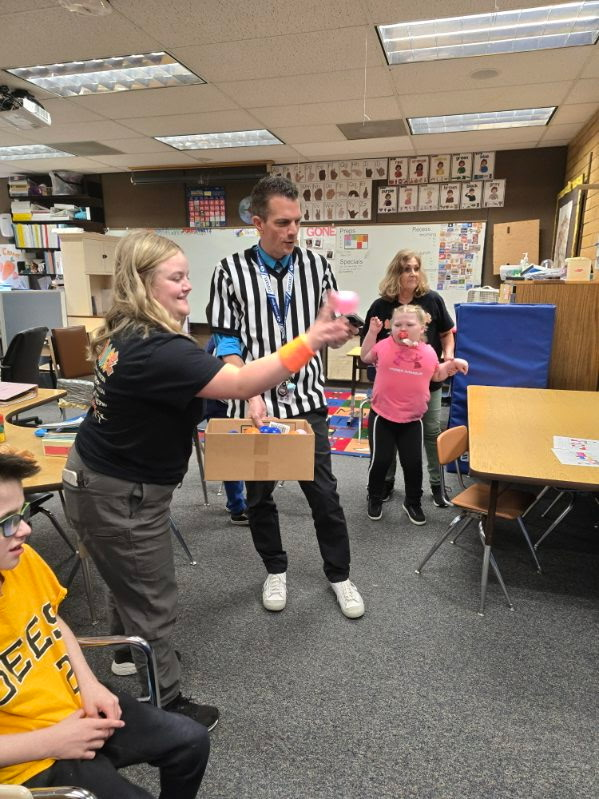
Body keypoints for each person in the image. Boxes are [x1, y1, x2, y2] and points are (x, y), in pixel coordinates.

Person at [62, 230, 349, 731]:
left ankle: (127, 657)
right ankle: (166, 704)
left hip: (94, 478)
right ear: (143, 283)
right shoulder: (156, 348)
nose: (188, 287)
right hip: (118, 492)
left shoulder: (124, 330)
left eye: (187, 276)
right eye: (176, 278)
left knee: (121, 571)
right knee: (153, 596)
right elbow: (239, 383)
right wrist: (313, 339)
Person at [0, 451, 210, 799]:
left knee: (191, 741)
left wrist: (90, 684)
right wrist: (51, 741)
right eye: (6, 522)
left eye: (22, 513)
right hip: (26, 761)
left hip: (75, 708)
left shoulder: (20, 561)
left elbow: (51, 620)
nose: (25, 528)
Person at [207, 175, 365, 620]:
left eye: (298, 221)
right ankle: (275, 569)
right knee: (258, 498)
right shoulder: (229, 271)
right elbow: (226, 343)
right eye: (282, 222)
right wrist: (250, 389)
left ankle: (339, 576)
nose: (293, 231)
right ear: (258, 222)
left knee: (325, 497)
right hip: (253, 403)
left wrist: (340, 335)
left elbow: (328, 330)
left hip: (307, 402)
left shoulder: (317, 267)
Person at [362, 249, 456, 509]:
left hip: (428, 380)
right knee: (387, 438)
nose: (412, 273)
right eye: (406, 269)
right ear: (396, 272)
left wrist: (447, 357)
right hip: (391, 385)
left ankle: (437, 485)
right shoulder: (381, 306)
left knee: (431, 432)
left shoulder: (433, 300)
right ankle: (385, 484)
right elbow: (368, 349)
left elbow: (447, 333)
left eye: (416, 268)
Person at [361, 307, 468, 522]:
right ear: (391, 326)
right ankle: (374, 497)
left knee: (413, 464)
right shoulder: (384, 346)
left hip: (412, 420)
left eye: (409, 325)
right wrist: (372, 333)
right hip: (383, 417)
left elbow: (437, 374)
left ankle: (412, 502)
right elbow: (365, 357)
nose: (403, 329)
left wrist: (452, 365)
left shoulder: (428, 352)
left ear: (421, 328)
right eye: (398, 325)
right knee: (380, 461)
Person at [203, 335, 248, 525]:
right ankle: (237, 507)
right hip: (221, 405)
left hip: (236, 402)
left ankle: (239, 503)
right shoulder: (222, 340)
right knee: (231, 455)